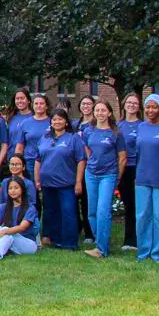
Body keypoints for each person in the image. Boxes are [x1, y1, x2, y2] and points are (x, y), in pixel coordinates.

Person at [81, 101, 127, 259]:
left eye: (103, 110)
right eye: (97, 110)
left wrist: (117, 177)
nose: (100, 113)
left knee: (103, 211)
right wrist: (91, 163)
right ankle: (100, 240)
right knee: (92, 211)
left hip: (108, 175)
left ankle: (102, 249)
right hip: (91, 174)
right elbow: (88, 149)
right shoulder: (88, 131)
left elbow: (122, 158)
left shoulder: (116, 133)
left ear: (109, 113)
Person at [35, 108, 86, 250]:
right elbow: (38, 160)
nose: (57, 122)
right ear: (51, 122)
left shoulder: (73, 138)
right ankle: (55, 239)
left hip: (66, 183)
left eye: (60, 119)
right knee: (51, 211)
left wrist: (78, 182)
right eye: (54, 119)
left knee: (68, 212)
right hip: (47, 183)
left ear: (66, 122)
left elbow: (81, 160)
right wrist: (37, 180)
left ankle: (69, 243)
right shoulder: (44, 138)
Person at [135, 94, 159, 263]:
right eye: (148, 107)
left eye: (154, 107)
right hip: (142, 177)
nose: (150, 110)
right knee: (143, 216)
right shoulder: (141, 127)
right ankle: (144, 251)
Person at [0, 177, 39, 259]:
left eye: (16, 188)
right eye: (10, 188)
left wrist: (3, 232)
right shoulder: (4, 206)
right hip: (9, 238)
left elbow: (22, 227)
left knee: (6, 231)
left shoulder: (30, 208)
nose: (12, 190)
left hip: (28, 243)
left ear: (22, 189)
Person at [117, 94, 142, 251]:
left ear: (139, 107)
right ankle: (128, 239)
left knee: (136, 205)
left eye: (135, 103)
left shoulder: (142, 125)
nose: (132, 105)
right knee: (128, 204)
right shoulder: (118, 126)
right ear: (124, 105)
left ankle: (137, 239)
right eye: (129, 102)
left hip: (137, 168)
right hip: (121, 168)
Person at [73, 95, 98, 244]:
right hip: (74, 166)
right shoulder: (75, 124)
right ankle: (77, 228)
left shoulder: (96, 125)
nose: (86, 106)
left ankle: (90, 232)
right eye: (83, 103)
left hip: (90, 166)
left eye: (89, 104)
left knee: (87, 200)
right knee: (74, 199)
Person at [14, 94, 52, 185]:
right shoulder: (25, 123)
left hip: (48, 161)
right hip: (29, 162)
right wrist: (17, 163)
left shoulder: (53, 122)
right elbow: (20, 146)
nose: (39, 106)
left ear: (46, 106)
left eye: (41, 103)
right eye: (36, 103)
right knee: (31, 190)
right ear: (33, 106)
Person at [7, 87, 33, 161]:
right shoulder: (11, 117)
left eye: (22, 98)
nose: (19, 101)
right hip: (11, 158)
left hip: (28, 159)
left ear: (28, 100)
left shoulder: (34, 117)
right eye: (17, 99)